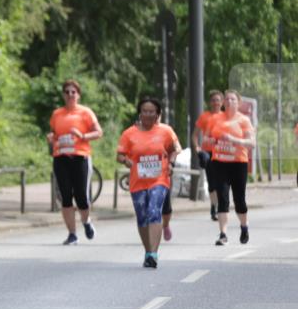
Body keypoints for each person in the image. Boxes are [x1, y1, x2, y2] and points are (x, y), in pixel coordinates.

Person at [117, 97, 182, 268]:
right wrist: (126, 161)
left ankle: (153, 253)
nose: (148, 114)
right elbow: (120, 155)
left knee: (154, 211)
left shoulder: (165, 131)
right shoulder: (129, 133)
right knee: (142, 217)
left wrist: (171, 163)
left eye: (151, 111)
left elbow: (174, 150)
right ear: (140, 113)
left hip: (159, 179)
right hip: (138, 181)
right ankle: (147, 251)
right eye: (145, 111)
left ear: (157, 114)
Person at [47, 79, 103, 245]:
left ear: (78, 95)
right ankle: (72, 234)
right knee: (65, 196)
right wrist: (51, 138)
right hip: (61, 157)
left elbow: (98, 132)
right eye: (67, 92)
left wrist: (83, 136)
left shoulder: (85, 112)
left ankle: (86, 222)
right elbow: (54, 134)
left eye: (73, 92)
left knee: (81, 197)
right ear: (63, 95)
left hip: (80, 157)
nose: (70, 95)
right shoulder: (57, 114)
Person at [208, 90, 256, 246]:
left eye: (233, 99)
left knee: (239, 200)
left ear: (238, 103)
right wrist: (211, 142)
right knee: (222, 198)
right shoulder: (215, 118)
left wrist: (234, 140)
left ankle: (244, 226)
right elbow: (207, 139)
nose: (229, 101)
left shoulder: (244, 120)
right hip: (219, 163)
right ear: (223, 103)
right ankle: (223, 234)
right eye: (227, 99)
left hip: (238, 163)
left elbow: (252, 143)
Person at [192, 90, 224, 221]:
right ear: (210, 102)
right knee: (212, 182)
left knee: (222, 182)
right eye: (213, 100)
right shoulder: (204, 117)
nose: (216, 103)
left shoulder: (226, 117)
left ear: (222, 102)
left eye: (218, 100)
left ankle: (221, 206)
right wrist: (197, 149)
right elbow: (194, 135)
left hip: (223, 153)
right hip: (208, 153)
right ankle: (214, 207)